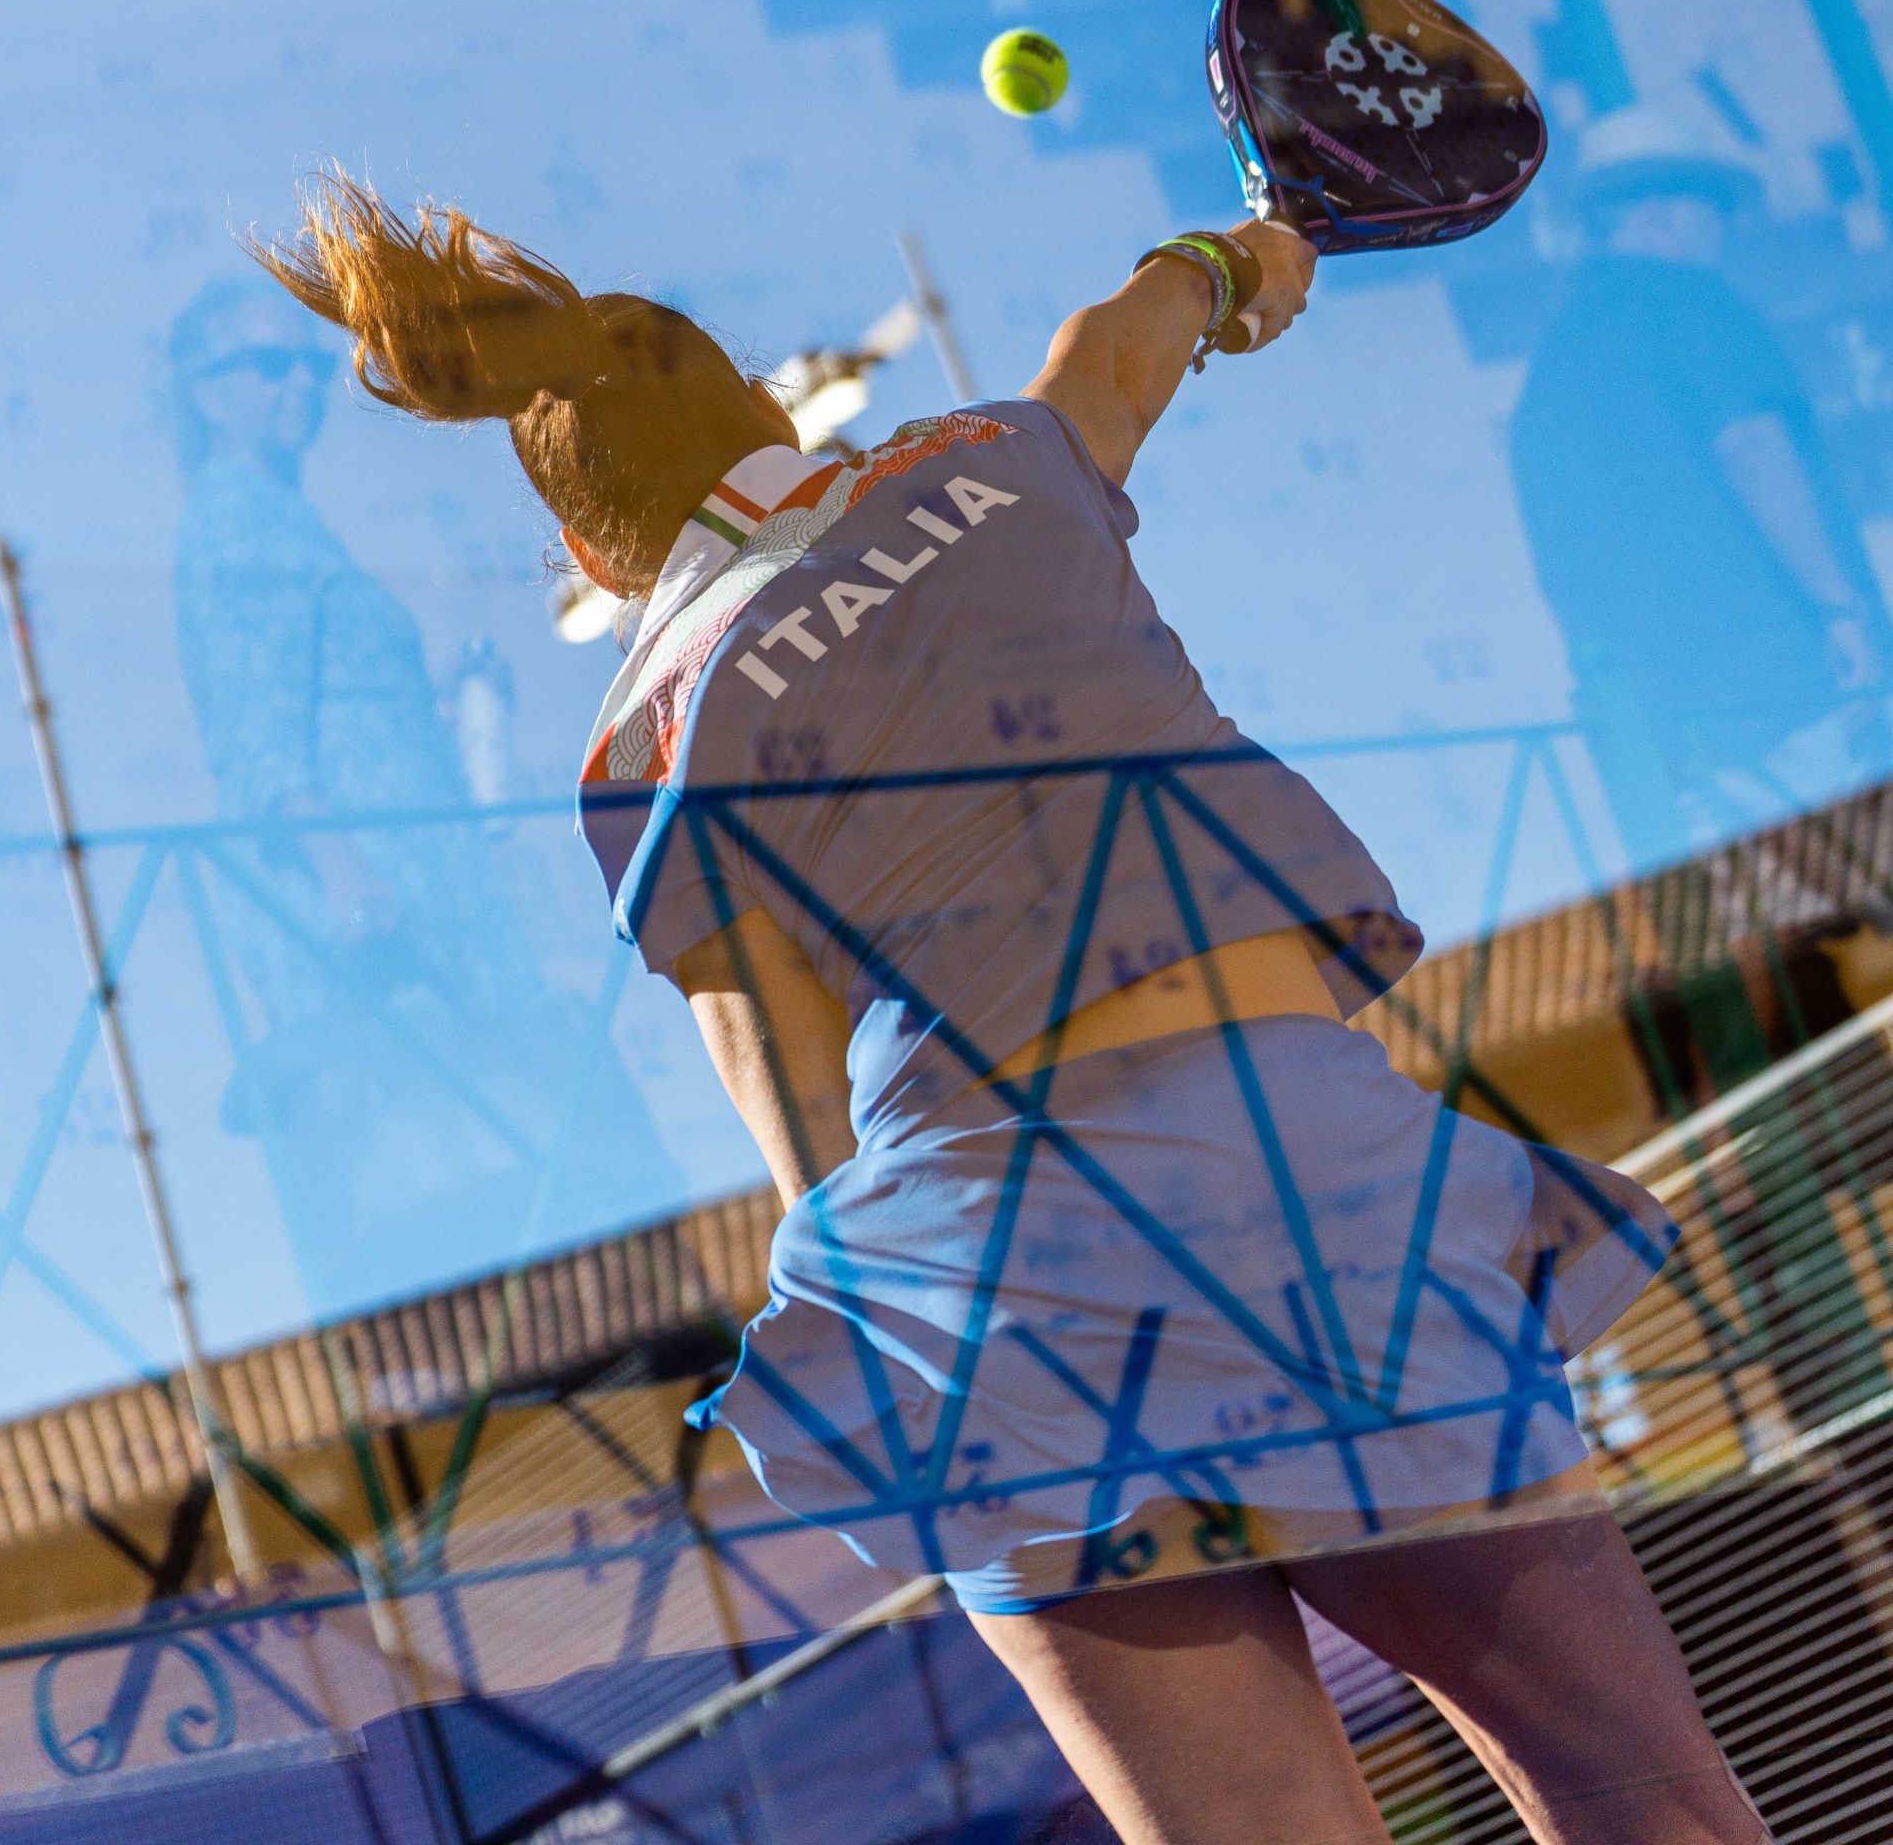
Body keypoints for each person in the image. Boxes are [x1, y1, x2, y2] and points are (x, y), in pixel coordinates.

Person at [252, 176, 1769, 1845]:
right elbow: (1118, 346)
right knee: (1643, 1803)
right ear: (767, 404)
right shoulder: (989, 458)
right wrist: (1231, 260)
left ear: (588, 555)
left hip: (990, 1296)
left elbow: (807, 1140)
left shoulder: (639, 746)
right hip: (1293, 1187)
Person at [168, 274, 677, 1304]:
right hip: (382, 913)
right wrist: (347, 882)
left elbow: (331, 712)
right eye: (263, 366)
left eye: (303, 365)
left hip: (423, 889)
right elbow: (258, 743)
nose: (294, 386)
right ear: (206, 392)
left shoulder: (280, 518)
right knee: (475, 1153)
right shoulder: (232, 523)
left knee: (517, 1144)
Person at [1511, 99, 1889, 874]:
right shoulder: (1691, 300)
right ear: (1662, 208)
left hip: (1662, 715)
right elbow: (1753, 448)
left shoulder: (1553, 366)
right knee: (1860, 883)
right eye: (1714, 209)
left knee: (1783, 906)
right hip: (1782, 674)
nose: (1723, 231)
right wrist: (1838, 611)